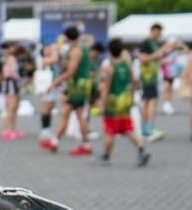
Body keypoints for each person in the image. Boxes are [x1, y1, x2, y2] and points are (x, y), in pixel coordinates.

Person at [94, 37, 149, 166]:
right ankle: (141, 149)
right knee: (128, 128)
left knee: (110, 130)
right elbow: (134, 82)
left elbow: (106, 87)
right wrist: (131, 96)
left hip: (113, 102)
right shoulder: (126, 65)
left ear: (110, 51)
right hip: (125, 100)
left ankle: (106, 156)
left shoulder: (109, 67)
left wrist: (102, 103)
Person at [40, 25, 94, 155]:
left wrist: (55, 82)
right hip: (77, 85)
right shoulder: (80, 48)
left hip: (78, 85)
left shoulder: (76, 50)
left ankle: (85, 144)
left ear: (67, 37)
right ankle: (55, 141)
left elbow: (71, 71)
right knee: (66, 113)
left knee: (79, 115)